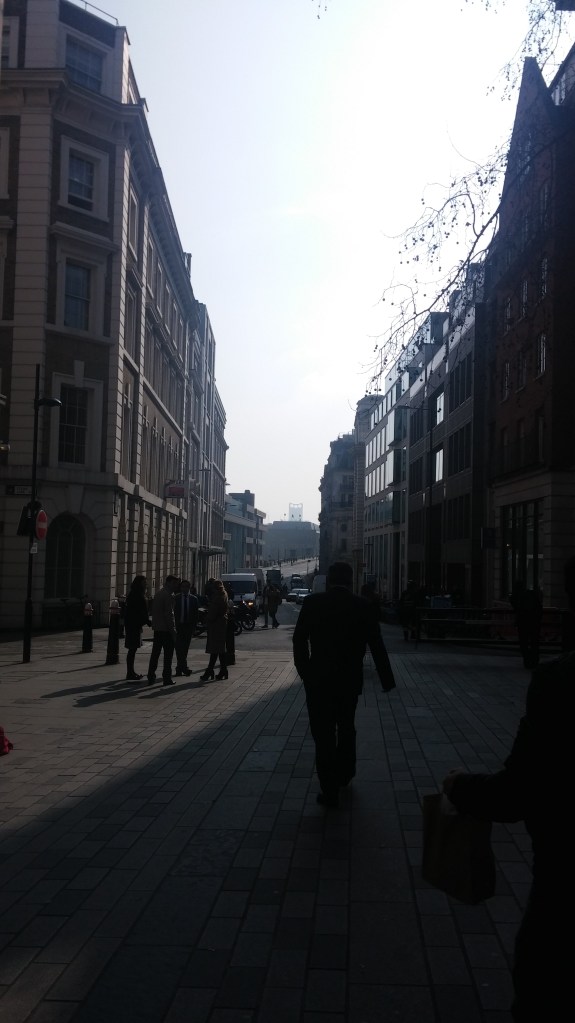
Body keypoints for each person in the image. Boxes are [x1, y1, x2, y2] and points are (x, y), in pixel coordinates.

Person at [442, 557, 575, 1022]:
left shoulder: (561, 683)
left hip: (565, 885)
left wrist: (460, 787)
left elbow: (519, 791)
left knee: (544, 990)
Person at [292, 561, 396, 808]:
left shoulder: (313, 603)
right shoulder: (363, 606)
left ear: (329, 581)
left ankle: (329, 790)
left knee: (323, 734)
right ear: (351, 582)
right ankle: (346, 773)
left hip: (318, 681)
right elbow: (377, 645)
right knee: (347, 726)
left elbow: (299, 641)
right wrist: (387, 679)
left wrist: (306, 672)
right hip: (349, 680)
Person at [147, 574, 179, 686]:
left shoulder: (159, 594)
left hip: (157, 629)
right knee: (168, 655)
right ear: (169, 582)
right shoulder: (168, 596)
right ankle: (167, 678)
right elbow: (169, 615)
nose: (176, 586)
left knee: (155, 654)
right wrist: (173, 631)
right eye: (174, 583)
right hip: (166, 630)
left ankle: (151, 676)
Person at [200, 579, 229, 681]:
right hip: (221, 623)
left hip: (216, 624)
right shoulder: (224, 594)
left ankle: (210, 671)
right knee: (219, 649)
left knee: (215, 649)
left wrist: (206, 619)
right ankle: (222, 670)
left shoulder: (217, 597)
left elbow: (213, 613)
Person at [510, 579, 543, 668]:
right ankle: (534, 660)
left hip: (523, 623)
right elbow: (539, 608)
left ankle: (527, 660)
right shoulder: (532, 594)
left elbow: (516, 608)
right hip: (534, 623)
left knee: (523, 643)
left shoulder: (517, 597)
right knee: (534, 643)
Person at [123, 575, 150, 681]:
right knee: (132, 649)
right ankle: (130, 673)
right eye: (144, 582)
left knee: (132, 649)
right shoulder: (136, 594)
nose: (145, 584)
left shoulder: (136, 593)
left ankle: (131, 671)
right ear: (139, 583)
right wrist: (147, 621)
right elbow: (138, 611)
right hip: (133, 625)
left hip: (134, 625)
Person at [174, 579, 199, 676]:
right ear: (180, 588)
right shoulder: (176, 598)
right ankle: (184, 667)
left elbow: (195, 614)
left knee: (185, 648)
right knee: (179, 648)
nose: (184, 589)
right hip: (178, 626)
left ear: (189, 588)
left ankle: (180, 668)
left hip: (188, 626)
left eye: (186, 587)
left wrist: (194, 627)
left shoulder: (194, 599)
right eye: (183, 587)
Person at [223, 581, 236, 665]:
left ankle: (229, 658)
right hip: (229, 622)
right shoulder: (229, 600)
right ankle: (230, 658)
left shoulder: (227, 600)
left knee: (228, 642)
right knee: (229, 642)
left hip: (228, 623)